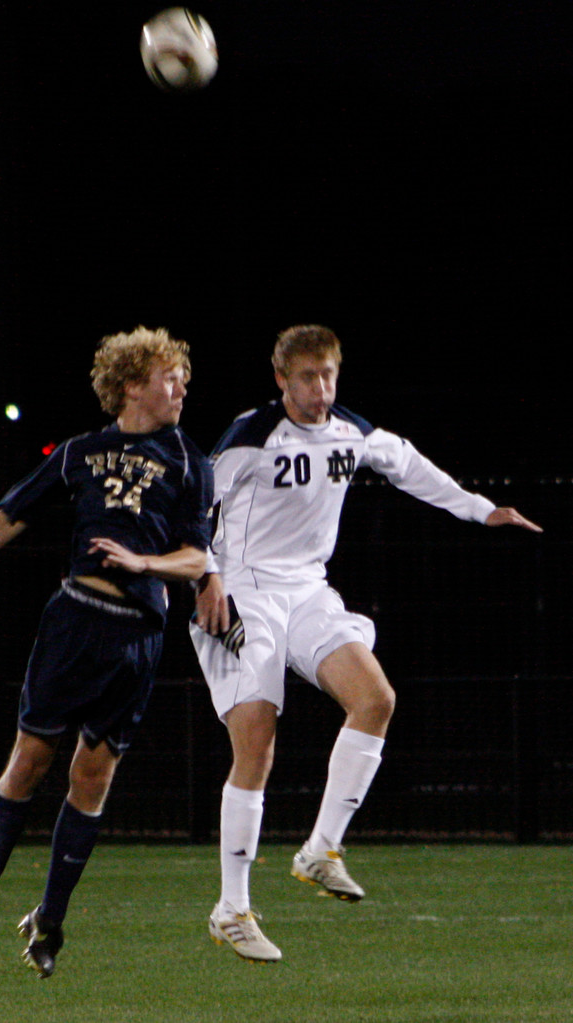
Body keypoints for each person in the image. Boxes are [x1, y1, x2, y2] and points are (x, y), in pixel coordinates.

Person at [189, 323, 542, 964]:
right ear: (281, 380)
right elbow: (198, 504)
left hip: (308, 592)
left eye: (327, 375)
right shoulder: (250, 437)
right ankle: (231, 909)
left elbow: (410, 467)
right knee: (257, 738)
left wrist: (482, 508)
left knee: (375, 698)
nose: (319, 389)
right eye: (305, 377)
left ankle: (320, 850)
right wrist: (207, 578)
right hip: (244, 592)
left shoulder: (352, 432)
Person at [0, 326, 213, 978]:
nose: (181, 386)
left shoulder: (192, 460)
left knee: (92, 777)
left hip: (138, 634)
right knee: (27, 761)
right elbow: (12, 513)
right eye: (170, 376)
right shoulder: (81, 451)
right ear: (132, 384)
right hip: (75, 620)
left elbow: (198, 555)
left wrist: (144, 559)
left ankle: (49, 918)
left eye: (183, 378)